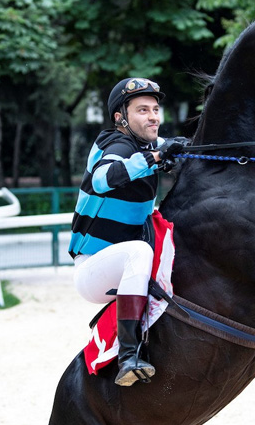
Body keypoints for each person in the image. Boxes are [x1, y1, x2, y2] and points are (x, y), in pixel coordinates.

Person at [69, 77, 184, 386]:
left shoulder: (148, 146)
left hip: (124, 266)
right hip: (93, 271)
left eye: (155, 110)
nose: (153, 117)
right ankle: (128, 356)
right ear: (121, 118)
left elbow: (184, 150)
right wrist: (158, 157)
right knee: (139, 251)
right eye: (142, 110)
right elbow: (101, 179)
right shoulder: (115, 144)